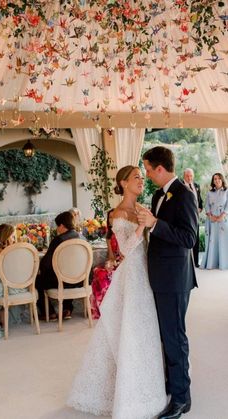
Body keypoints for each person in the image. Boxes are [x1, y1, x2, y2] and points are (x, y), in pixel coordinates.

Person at [67, 165, 167, 418]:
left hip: (147, 272)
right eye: (136, 177)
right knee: (129, 330)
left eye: (142, 178)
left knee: (146, 330)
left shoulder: (144, 209)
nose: (141, 181)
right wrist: (141, 227)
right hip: (131, 275)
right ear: (123, 183)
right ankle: (127, 396)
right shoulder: (119, 212)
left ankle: (149, 386)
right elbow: (125, 249)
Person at [137, 146, 198, 419]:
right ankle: (173, 385)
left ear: (160, 168)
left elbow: (189, 239)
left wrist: (155, 223)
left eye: (149, 170)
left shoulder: (185, 195)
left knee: (175, 337)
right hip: (161, 275)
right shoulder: (157, 194)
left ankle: (182, 400)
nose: (147, 175)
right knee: (165, 336)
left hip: (174, 278)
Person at [36, 211, 81, 321]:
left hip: (61, 281)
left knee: (36, 280)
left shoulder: (59, 240)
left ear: (61, 225)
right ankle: (67, 309)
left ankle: (49, 313)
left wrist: (40, 269)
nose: (57, 229)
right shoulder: (81, 238)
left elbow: (46, 263)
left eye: (57, 226)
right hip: (79, 279)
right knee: (67, 272)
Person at [0, 224, 26, 338]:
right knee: (21, 287)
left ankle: (2, 315)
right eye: (12, 236)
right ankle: (4, 315)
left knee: (17, 286)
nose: (14, 239)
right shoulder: (3, 251)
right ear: (5, 237)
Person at [90, 208, 122, 319]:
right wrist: (110, 263)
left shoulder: (122, 232)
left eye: (114, 217)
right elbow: (111, 256)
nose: (112, 219)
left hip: (124, 263)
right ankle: (103, 307)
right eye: (110, 217)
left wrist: (117, 263)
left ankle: (108, 306)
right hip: (115, 263)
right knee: (98, 271)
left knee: (103, 275)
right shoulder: (109, 236)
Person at [200, 172, 228, 270]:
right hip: (211, 219)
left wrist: (223, 215)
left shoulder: (227, 191)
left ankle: (224, 263)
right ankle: (211, 263)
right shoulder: (209, 193)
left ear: (222, 180)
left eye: (218, 178)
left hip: (223, 219)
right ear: (213, 181)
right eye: (215, 179)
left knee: (223, 240)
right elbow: (206, 205)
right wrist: (209, 215)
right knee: (212, 240)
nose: (217, 180)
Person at [183, 168, 203, 267]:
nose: (189, 178)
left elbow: (200, 201)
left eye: (191, 176)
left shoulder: (196, 186)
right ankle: (186, 262)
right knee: (185, 238)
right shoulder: (180, 187)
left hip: (195, 218)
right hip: (185, 218)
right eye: (187, 176)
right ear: (184, 176)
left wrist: (200, 208)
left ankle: (195, 262)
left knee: (196, 239)